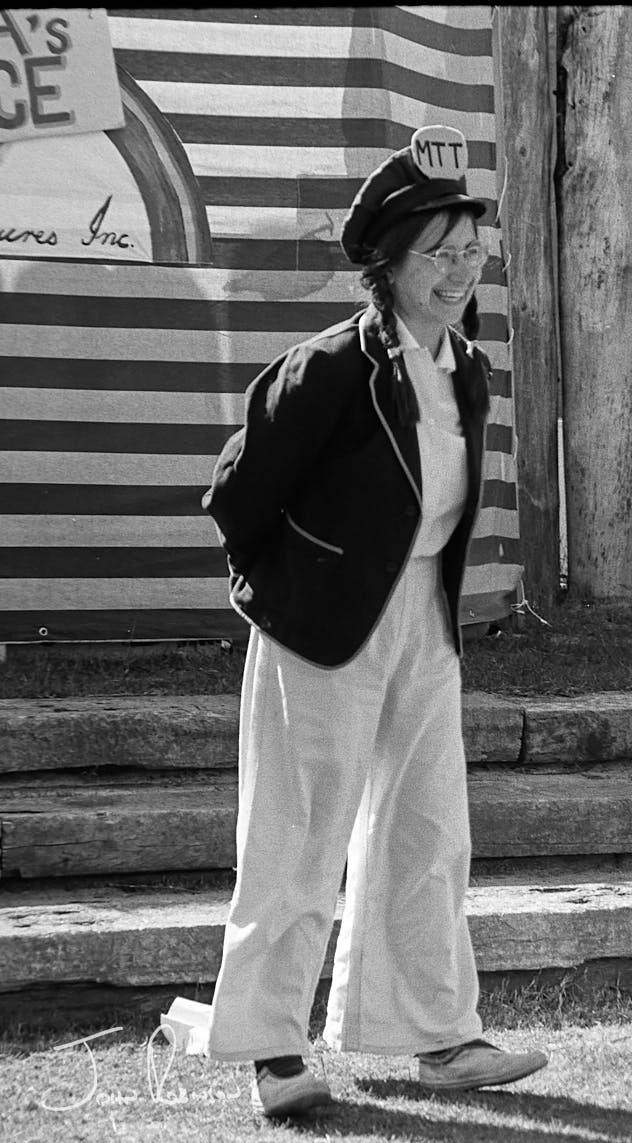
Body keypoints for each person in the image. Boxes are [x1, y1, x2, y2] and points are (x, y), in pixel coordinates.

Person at [200, 125, 546, 1117]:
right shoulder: (329, 368)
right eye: (440, 253)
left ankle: (436, 1035)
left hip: (423, 622)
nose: (461, 271)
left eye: (471, 251)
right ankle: (272, 1049)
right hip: (321, 627)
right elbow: (238, 497)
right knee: (297, 833)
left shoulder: (466, 367)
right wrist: (290, 593)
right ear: (389, 265)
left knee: (427, 829)